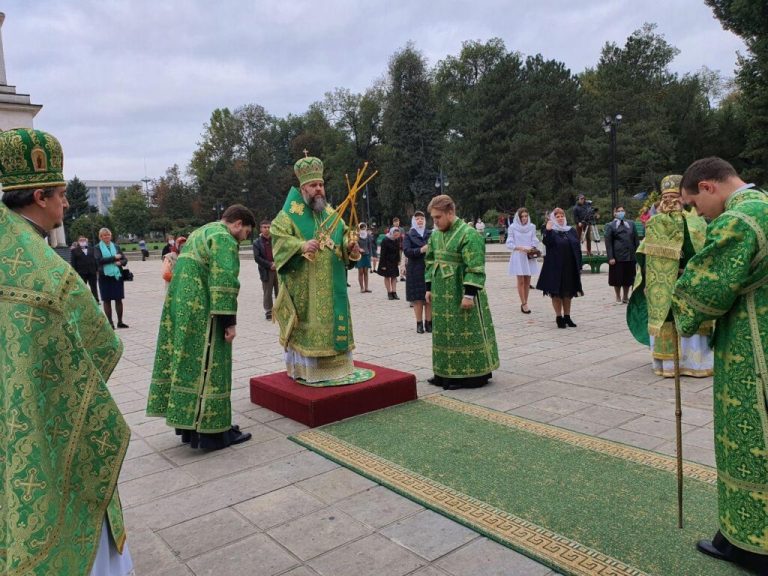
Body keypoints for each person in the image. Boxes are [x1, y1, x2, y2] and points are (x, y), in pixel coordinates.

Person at [0, 128, 133, 575]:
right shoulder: (47, 272)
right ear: (40, 196)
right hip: (47, 423)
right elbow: (100, 345)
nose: (67, 203)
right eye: (61, 194)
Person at [671, 157, 768, 571]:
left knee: (750, 441)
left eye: (694, 204)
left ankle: (751, 545)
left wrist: (675, 307)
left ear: (709, 186)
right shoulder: (764, 205)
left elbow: (707, 290)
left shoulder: (738, 221)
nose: (697, 214)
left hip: (751, 347)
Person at [147, 204, 255, 449]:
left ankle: (190, 428)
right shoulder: (223, 237)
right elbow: (224, 279)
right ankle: (214, 432)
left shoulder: (201, 232)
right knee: (212, 366)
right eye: (246, 232)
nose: (244, 238)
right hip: (204, 311)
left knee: (188, 366)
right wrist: (229, 321)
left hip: (182, 308)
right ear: (238, 223)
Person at [271, 153, 373, 386]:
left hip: (333, 286)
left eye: (321, 184)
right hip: (305, 289)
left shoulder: (331, 213)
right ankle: (308, 370)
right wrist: (300, 245)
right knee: (309, 325)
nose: (318, 189)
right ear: (303, 189)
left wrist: (350, 245)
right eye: (313, 185)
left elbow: (344, 235)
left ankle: (339, 368)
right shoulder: (288, 216)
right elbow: (278, 240)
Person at [629, 175, 713, 378]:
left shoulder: (696, 222)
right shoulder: (655, 223)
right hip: (662, 283)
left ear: (682, 199)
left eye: (673, 197)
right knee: (666, 319)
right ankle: (668, 364)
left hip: (689, 281)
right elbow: (645, 254)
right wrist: (647, 279)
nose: (669, 202)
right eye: (665, 197)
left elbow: (703, 252)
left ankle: (695, 363)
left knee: (692, 319)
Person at [425, 194, 499, 390]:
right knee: (442, 333)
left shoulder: (469, 234)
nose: (435, 222)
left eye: (438, 217)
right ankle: (443, 373)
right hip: (441, 295)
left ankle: (469, 376)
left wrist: (469, 295)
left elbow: (475, 266)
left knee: (464, 332)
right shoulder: (435, 235)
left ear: (450, 213)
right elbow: (430, 260)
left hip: (461, 292)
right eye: (433, 218)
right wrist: (429, 287)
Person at [535, 208, 583, 328]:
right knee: (556, 293)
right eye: (557, 216)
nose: (560, 218)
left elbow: (577, 248)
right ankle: (559, 317)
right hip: (555, 267)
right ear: (553, 218)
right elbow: (547, 242)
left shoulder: (571, 230)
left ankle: (567, 316)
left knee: (568, 293)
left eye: (562, 216)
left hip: (570, 267)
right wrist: (548, 230)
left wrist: (579, 265)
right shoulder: (550, 230)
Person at [506, 207, 539, 314]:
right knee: (520, 281)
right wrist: (520, 248)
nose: (524, 218)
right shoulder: (512, 227)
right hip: (518, 255)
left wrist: (532, 247)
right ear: (518, 217)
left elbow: (534, 239)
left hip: (529, 255)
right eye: (522, 216)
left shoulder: (532, 226)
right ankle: (524, 303)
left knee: (527, 281)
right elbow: (509, 243)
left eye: (526, 216)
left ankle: (526, 301)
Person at [403, 212, 432, 332]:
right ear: (414, 221)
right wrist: (420, 250)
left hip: (429, 268)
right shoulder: (409, 234)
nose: (420, 220)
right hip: (415, 270)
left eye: (422, 218)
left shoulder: (431, 233)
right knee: (418, 299)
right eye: (417, 219)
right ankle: (419, 323)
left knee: (430, 297)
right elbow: (406, 251)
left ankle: (429, 323)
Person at [95, 227, 129, 329]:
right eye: (104, 235)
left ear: (111, 236)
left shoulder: (116, 246)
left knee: (119, 299)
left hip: (117, 276)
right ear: (101, 237)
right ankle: (110, 323)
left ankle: (120, 322)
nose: (106, 237)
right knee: (107, 300)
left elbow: (124, 259)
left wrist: (120, 262)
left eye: (108, 235)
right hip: (104, 276)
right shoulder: (97, 247)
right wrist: (114, 258)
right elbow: (99, 260)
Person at [604, 205, 638, 304]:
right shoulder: (611, 225)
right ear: (614, 213)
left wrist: (638, 254)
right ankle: (618, 296)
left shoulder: (631, 224)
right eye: (618, 211)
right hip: (617, 257)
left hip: (630, 256)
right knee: (617, 278)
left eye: (622, 210)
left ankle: (625, 297)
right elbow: (608, 243)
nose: (621, 212)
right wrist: (610, 257)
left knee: (628, 278)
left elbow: (636, 240)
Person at [253, 219, 278, 320]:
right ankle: (269, 311)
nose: (267, 229)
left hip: (278, 269)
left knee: (280, 290)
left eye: (269, 227)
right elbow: (257, 257)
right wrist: (269, 264)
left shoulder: (276, 239)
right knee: (267, 292)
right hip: (266, 270)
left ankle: (281, 309)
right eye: (265, 227)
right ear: (261, 229)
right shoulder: (257, 242)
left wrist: (277, 263)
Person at [70, 234, 100, 302]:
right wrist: (74, 272)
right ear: (78, 242)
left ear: (86, 241)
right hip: (81, 272)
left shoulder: (92, 249)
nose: (82, 241)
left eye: (84, 240)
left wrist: (97, 269)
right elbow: (73, 263)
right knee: (82, 287)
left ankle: (96, 300)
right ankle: (83, 301)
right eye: (81, 240)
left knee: (94, 287)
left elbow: (95, 259)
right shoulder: (74, 250)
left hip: (92, 271)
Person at [378, 226, 402, 300]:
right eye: (395, 235)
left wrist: (399, 260)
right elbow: (382, 253)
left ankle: (394, 292)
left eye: (398, 235)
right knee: (387, 276)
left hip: (394, 261)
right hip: (386, 261)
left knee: (394, 276)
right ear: (391, 233)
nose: (396, 237)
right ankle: (389, 292)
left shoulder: (397, 240)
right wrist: (382, 265)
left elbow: (398, 251)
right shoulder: (385, 240)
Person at [355, 222, 375, 293]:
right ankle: (362, 288)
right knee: (360, 272)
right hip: (359, 256)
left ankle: (366, 288)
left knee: (366, 272)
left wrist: (371, 255)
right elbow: (354, 245)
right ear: (359, 228)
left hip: (366, 255)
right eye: (361, 228)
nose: (363, 230)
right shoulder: (357, 236)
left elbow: (370, 246)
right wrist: (359, 249)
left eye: (364, 228)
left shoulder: (368, 235)